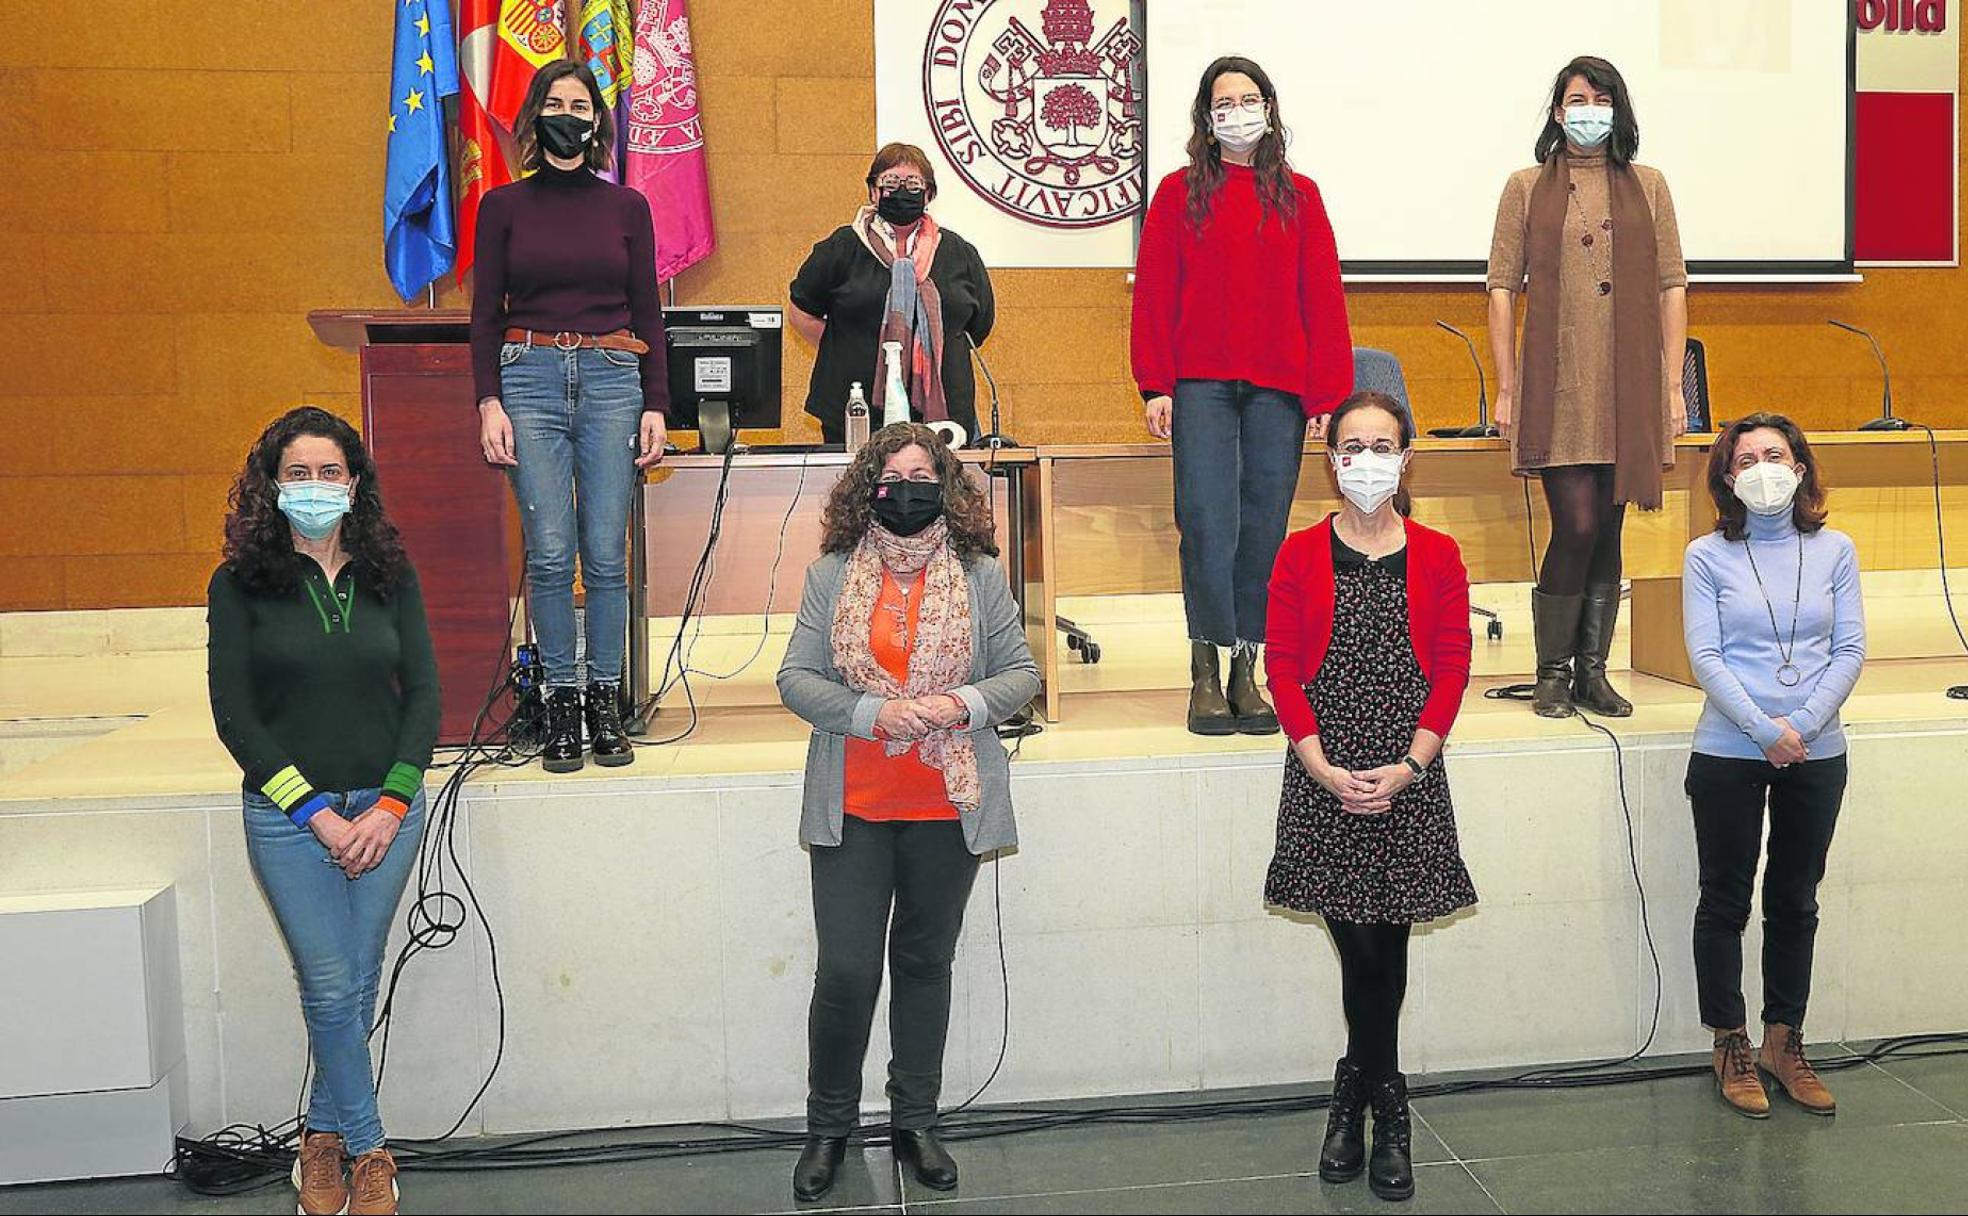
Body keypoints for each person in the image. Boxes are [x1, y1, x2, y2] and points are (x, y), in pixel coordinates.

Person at [776, 423, 1040, 1202]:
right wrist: (868, 713)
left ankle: (914, 1123)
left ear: (946, 486)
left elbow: (1019, 674)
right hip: (854, 804)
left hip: (945, 807)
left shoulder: (982, 575)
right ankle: (830, 1129)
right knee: (848, 972)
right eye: (890, 475)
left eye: (921, 473)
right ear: (868, 489)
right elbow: (795, 679)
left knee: (926, 964)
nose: (906, 487)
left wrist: (959, 702)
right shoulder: (831, 574)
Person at [206, 407, 440, 1216]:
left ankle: (320, 1138)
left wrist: (391, 801)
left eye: (330, 472)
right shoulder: (238, 583)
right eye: (298, 474)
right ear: (271, 486)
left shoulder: (390, 574)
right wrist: (318, 815)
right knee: (333, 983)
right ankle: (371, 1149)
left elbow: (426, 699)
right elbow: (235, 716)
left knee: (353, 984)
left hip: (387, 812)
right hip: (289, 820)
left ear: (355, 483)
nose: (315, 487)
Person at [1263, 391, 1477, 1202]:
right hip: (1326, 771)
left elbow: (1453, 665)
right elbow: (1282, 664)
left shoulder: (1440, 553)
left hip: (1407, 772)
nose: (1366, 459)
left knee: (1390, 949)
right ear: (1331, 459)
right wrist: (1320, 767)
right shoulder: (1298, 554)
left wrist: (1412, 765)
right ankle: (1384, 1096)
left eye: (1382, 444)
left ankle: (1362, 1098)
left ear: (1406, 456)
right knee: (1361, 948)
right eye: (1352, 446)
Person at [1131, 55, 1353, 737]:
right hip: (1199, 384)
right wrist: (1154, 383)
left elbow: (1323, 298)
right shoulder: (1175, 193)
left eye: (1249, 99)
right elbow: (1154, 294)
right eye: (1224, 102)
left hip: (1278, 387)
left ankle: (1245, 670)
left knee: (1263, 525)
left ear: (1270, 108)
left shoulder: (1301, 195)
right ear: (1206, 116)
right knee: (1205, 523)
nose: (1238, 112)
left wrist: (1327, 395)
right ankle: (1204, 665)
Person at [471, 59, 670, 773]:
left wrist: (656, 402)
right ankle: (558, 702)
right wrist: (487, 399)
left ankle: (603, 702)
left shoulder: (628, 208)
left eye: (580, 105)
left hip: (615, 376)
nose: (568, 115)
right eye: (554, 103)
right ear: (535, 117)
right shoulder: (502, 206)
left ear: (597, 121)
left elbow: (649, 309)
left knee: (607, 555)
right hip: (528, 379)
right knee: (552, 554)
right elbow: (483, 315)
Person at [1487, 54, 1688, 719]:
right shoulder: (1523, 187)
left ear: (1618, 110)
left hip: (1628, 388)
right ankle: (1552, 671)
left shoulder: (1650, 186)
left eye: (1601, 99)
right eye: (1577, 99)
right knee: (1575, 523)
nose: (1588, 110)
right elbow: (1498, 290)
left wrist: (1672, 388)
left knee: (1608, 528)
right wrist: (1507, 388)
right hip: (1558, 387)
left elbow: (1671, 287)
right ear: (1556, 111)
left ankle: (1592, 674)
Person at [1682, 413, 1863, 1119]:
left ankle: (1783, 1043)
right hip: (1729, 750)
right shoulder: (1706, 555)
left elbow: (1849, 649)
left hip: (1818, 752)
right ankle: (1730, 1043)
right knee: (1724, 900)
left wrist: (1803, 728)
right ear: (1727, 477)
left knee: (1795, 900)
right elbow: (1706, 657)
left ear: (1800, 467)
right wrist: (1764, 730)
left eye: (1774, 455)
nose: (1762, 468)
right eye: (1746, 458)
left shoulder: (1836, 549)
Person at [790, 144, 996, 445]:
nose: (902, 191)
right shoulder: (841, 248)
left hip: (945, 414)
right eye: (891, 183)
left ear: (929, 195)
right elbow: (801, 310)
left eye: (913, 184)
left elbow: (979, 326)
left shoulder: (959, 253)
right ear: (873, 191)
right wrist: (845, 346)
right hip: (855, 410)